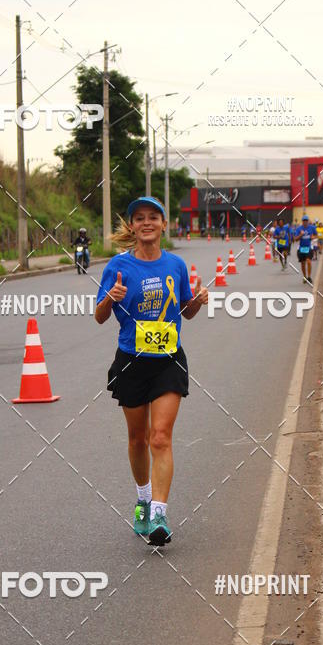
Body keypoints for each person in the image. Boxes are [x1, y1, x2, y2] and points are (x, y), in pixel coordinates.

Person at [95, 195, 209, 547]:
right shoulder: (118, 266)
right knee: (138, 438)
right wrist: (111, 298)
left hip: (168, 360)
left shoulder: (175, 265)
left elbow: (186, 312)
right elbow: (99, 316)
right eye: (139, 218)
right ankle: (143, 499)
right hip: (131, 361)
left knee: (160, 436)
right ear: (132, 226)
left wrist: (197, 302)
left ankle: (159, 513)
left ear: (163, 224)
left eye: (153, 217)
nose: (146, 223)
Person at [295, 214, 316, 283]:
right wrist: (301, 235)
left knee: (309, 261)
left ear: (308, 221)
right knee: (303, 263)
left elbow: (316, 235)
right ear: (302, 221)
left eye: (306, 220)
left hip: (309, 247)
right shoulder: (299, 229)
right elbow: (295, 239)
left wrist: (313, 237)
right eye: (304, 221)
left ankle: (309, 277)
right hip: (301, 248)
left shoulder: (312, 228)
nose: (305, 222)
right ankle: (305, 277)